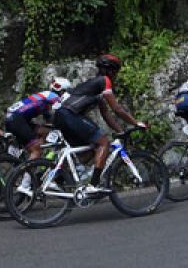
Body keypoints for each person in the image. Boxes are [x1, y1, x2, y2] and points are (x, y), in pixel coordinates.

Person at [54, 55, 148, 193]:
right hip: (70, 115)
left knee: (87, 154)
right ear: (111, 71)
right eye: (116, 72)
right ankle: (93, 186)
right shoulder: (104, 81)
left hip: (61, 117)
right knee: (104, 143)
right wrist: (136, 123)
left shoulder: (93, 86)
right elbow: (117, 109)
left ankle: (62, 180)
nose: (116, 76)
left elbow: (106, 114)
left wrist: (120, 131)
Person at [6, 76, 72, 160]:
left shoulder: (44, 96)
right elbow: (62, 113)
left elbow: (49, 120)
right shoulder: (53, 96)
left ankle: (31, 158)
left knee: (45, 131)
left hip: (15, 119)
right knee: (37, 150)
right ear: (62, 91)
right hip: (17, 120)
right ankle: (26, 171)